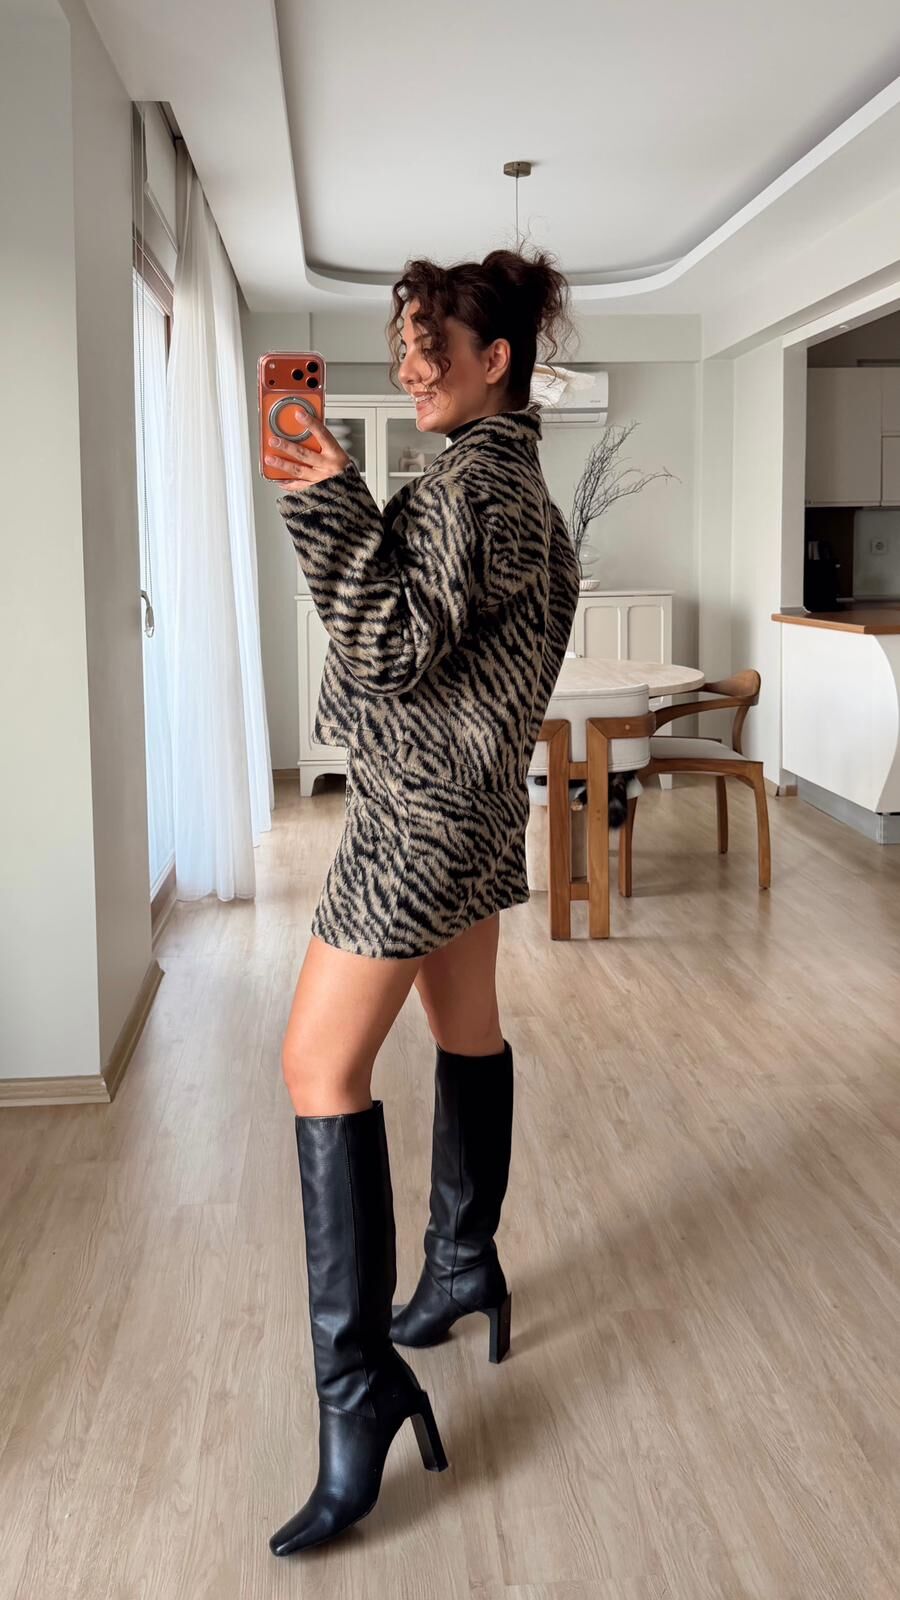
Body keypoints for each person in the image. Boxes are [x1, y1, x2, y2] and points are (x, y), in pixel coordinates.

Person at [263, 247, 581, 1556]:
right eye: (398, 345)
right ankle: (461, 1265)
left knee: (315, 1065)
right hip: (473, 804)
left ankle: (359, 1392)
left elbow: (390, 644)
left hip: (415, 818)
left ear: (492, 359)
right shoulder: (508, 484)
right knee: (466, 1029)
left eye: (426, 346)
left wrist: (322, 495)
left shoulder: (476, 489)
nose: (407, 366)